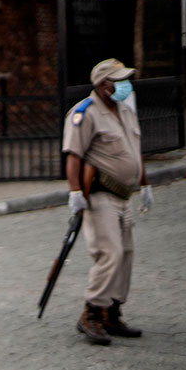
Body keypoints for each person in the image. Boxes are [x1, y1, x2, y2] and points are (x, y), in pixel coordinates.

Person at [62, 57, 153, 346]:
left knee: (125, 253)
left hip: (124, 196)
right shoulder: (84, 113)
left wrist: (145, 183)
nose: (125, 84)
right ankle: (91, 313)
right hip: (100, 195)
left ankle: (112, 312)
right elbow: (74, 155)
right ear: (103, 85)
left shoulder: (125, 111)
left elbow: (134, 151)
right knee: (109, 252)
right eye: (119, 80)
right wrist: (75, 191)